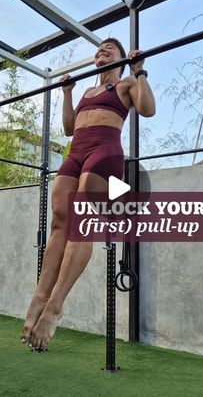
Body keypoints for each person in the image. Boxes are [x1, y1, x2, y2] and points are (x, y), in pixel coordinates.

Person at [21, 38, 156, 351]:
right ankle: (39, 298)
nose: (102, 50)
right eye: (99, 48)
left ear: (121, 59)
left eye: (110, 48)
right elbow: (69, 128)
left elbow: (147, 110)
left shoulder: (125, 84)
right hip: (76, 151)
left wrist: (140, 71)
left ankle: (55, 305)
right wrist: (67, 93)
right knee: (58, 222)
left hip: (105, 150)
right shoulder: (87, 92)